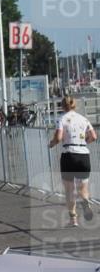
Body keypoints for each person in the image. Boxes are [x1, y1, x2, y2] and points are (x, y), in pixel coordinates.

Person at [49, 95, 97, 227]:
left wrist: (52, 143)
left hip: (69, 155)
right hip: (83, 154)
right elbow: (94, 136)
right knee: (83, 187)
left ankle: (73, 219)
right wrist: (84, 142)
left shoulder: (62, 119)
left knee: (69, 190)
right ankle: (85, 201)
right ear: (74, 105)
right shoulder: (84, 119)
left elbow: (58, 137)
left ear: (62, 106)